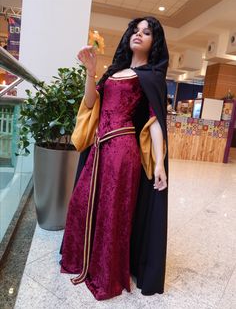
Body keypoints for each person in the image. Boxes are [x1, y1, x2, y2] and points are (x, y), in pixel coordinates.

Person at [60, 16, 169, 301]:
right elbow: (91, 103)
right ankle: (81, 259)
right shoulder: (114, 72)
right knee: (81, 202)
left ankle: (107, 273)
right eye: (136, 30)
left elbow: (155, 121)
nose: (139, 34)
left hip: (123, 151)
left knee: (112, 212)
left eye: (147, 32)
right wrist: (91, 71)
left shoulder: (152, 77)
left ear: (154, 42)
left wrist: (159, 162)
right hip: (98, 148)